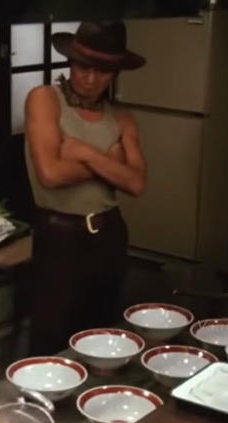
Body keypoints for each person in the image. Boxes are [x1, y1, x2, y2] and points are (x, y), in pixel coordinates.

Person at [24, 21, 148, 357]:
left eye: (103, 71)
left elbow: (136, 182)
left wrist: (83, 153)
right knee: (51, 339)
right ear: (71, 62)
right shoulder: (44, 99)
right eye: (83, 67)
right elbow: (50, 173)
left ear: (115, 73)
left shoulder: (121, 117)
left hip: (109, 234)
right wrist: (109, 164)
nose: (91, 79)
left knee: (103, 338)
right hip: (59, 235)